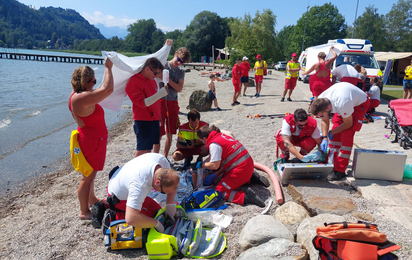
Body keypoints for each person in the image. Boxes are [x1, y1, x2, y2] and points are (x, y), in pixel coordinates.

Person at [68, 58, 114, 220]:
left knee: (90, 175)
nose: (95, 84)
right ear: (85, 81)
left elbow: (103, 90)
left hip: (91, 139)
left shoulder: (77, 96)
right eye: (93, 81)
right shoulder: (81, 98)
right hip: (91, 141)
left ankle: (91, 199)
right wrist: (108, 68)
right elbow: (108, 89)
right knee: (87, 177)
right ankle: (84, 211)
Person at [310, 82, 370, 181]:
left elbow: (348, 124)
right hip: (344, 99)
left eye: (321, 114)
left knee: (346, 135)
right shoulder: (321, 100)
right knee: (335, 133)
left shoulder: (343, 104)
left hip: (360, 104)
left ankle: (340, 170)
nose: (320, 117)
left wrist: (332, 132)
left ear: (328, 108)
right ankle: (331, 164)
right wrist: (325, 137)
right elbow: (324, 120)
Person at [107, 153, 180, 232]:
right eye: (163, 192)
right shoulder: (140, 184)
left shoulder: (162, 161)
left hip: (124, 177)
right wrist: (156, 224)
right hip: (117, 196)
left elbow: (172, 182)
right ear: (157, 183)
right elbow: (131, 218)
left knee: (157, 211)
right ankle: (110, 210)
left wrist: (169, 204)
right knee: (148, 221)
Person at [197, 125, 266, 207]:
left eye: (201, 141)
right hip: (247, 165)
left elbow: (215, 165)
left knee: (219, 191)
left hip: (241, 170)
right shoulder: (221, 136)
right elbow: (215, 159)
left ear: (204, 139)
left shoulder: (214, 144)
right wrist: (215, 174)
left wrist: (202, 165)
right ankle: (251, 178)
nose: (203, 143)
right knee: (224, 178)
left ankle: (246, 197)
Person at [125, 57, 168, 158]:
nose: (156, 76)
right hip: (143, 120)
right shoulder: (134, 81)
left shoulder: (151, 80)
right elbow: (142, 103)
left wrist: (159, 116)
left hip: (154, 119)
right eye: (155, 73)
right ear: (147, 69)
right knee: (142, 150)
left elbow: (155, 101)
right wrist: (160, 94)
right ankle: (133, 172)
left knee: (148, 149)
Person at [160, 44, 191, 159]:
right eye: (178, 60)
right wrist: (166, 45)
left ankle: (164, 157)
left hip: (172, 102)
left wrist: (167, 81)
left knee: (170, 131)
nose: (179, 63)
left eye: (181, 62)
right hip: (160, 101)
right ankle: (155, 157)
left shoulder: (181, 72)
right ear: (175, 55)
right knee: (159, 131)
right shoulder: (163, 65)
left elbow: (179, 88)